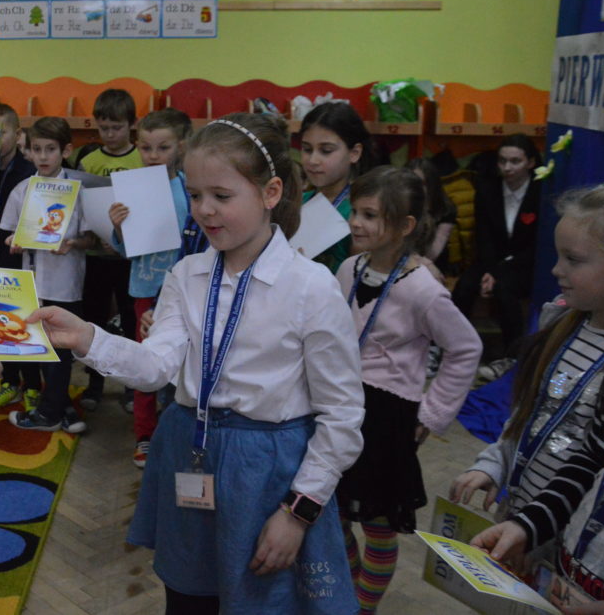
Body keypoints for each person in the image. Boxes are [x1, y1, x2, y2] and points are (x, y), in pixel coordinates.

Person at [28, 113, 365, 613]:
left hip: (269, 475)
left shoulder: (311, 287)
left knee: (262, 600)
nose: (204, 210)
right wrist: (88, 338)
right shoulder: (187, 274)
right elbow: (155, 367)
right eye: (194, 194)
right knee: (188, 599)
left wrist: (298, 513)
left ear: (270, 193)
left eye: (222, 196)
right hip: (190, 451)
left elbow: (342, 415)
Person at [332, 166, 482, 612]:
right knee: (332, 514)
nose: (356, 223)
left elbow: (465, 348)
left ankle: (364, 607)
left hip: (386, 417)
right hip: (342, 407)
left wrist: (431, 415)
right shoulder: (348, 268)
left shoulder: (422, 289)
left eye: (370, 215)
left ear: (404, 226)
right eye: (355, 212)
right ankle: (348, 595)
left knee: (378, 527)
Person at [466, 186, 604, 605]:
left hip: (570, 545)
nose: (556, 269)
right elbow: (528, 416)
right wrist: (496, 464)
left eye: (574, 259)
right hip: (525, 515)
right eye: (558, 255)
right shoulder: (559, 325)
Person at [107, 107, 193, 469]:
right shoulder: (133, 189)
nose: (153, 155)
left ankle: (176, 431)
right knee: (146, 361)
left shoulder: (190, 188)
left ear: (181, 147)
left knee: (182, 364)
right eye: (146, 148)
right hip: (145, 287)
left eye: (163, 147)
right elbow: (125, 248)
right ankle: (144, 433)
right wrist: (118, 227)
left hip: (185, 290)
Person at [1, 116, 98, 433]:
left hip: (66, 281)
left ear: (65, 150)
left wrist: (72, 244)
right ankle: (62, 407)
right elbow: (10, 235)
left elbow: (90, 239)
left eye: (50, 149)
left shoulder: (78, 191)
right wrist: (14, 242)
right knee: (41, 346)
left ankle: (49, 413)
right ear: (28, 151)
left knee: (61, 348)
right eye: (37, 149)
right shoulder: (22, 190)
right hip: (33, 280)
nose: (43, 156)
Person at [0, 103, 43, 411]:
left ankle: (33, 385)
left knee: (25, 322)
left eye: (0, 134)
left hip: (22, 259)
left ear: (17, 134)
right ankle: (9, 381)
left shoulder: (29, 170)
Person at [452, 133, 544, 358]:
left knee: (505, 289)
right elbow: (483, 236)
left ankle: (512, 355)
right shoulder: (487, 189)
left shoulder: (540, 192)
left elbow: (537, 244)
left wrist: (498, 272)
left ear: (531, 163)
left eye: (515, 161)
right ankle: (450, 347)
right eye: (502, 161)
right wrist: (491, 270)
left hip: (524, 264)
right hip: (490, 259)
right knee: (464, 287)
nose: (507, 167)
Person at [79, 88, 143, 412]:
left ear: (132, 124)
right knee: (94, 322)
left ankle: (132, 386)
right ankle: (94, 382)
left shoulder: (142, 159)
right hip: (96, 256)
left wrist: (122, 239)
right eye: (104, 128)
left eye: (117, 127)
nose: (110, 134)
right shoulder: (89, 161)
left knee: (131, 321)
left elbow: (148, 208)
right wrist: (96, 236)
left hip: (130, 258)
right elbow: (82, 209)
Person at [299, 101, 375, 273]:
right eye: (307, 149)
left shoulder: (363, 211)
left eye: (326, 150)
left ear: (354, 153)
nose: (313, 160)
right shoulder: (298, 202)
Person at [406, 156, 458, 271]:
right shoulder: (400, 204)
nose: (415, 188)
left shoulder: (446, 209)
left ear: (432, 184)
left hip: (432, 264)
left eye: (421, 183)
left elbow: (433, 253)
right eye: (411, 182)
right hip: (404, 260)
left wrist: (423, 212)